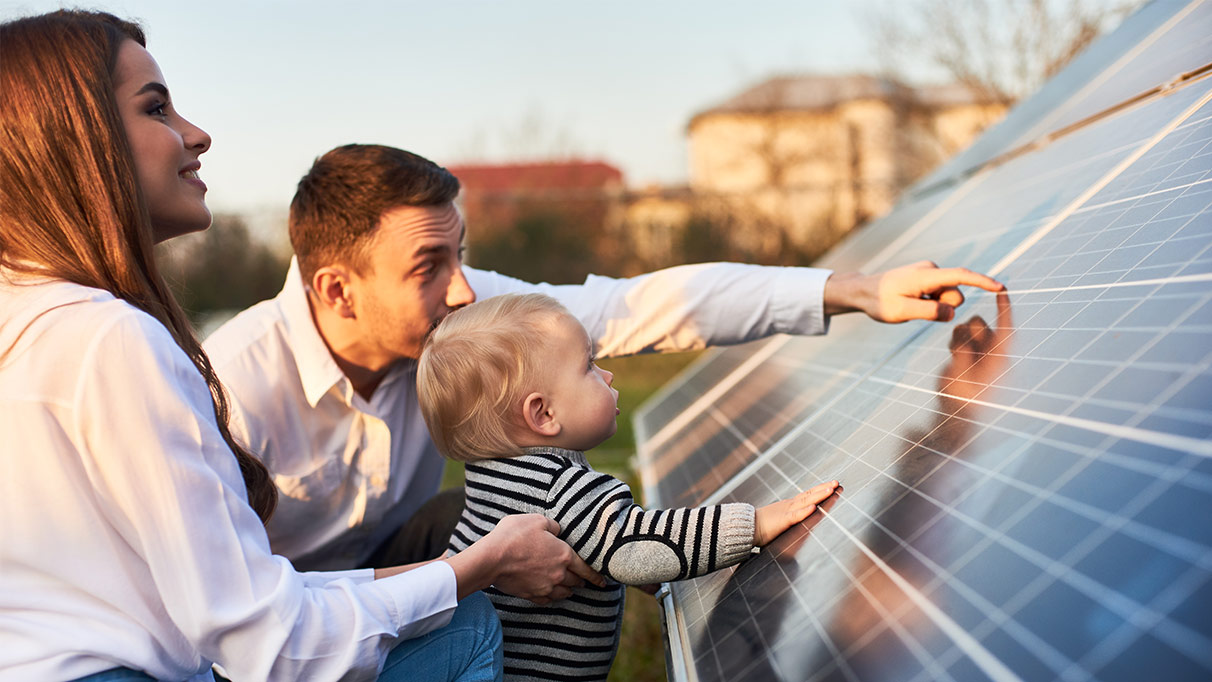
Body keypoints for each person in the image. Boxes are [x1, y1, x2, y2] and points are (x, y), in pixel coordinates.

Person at [0, 11, 597, 682]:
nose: (196, 133)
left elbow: (237, 605)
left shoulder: (27, 320)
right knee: (464, 629)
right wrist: (474, 571)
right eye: (156, 107)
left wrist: (460, 566)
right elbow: (269, 646)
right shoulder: (112, 340)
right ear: (75, 143)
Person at [205, 143, 1006, 573]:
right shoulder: (232, 390)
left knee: (532, 514)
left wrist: (852, 290)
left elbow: (636, 306)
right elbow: (230, 614)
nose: (462, 294)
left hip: (394, 566)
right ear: (338, 292)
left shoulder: (461, 313)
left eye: (462, 256)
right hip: (279, 631)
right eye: (428, 270)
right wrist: (466, 577)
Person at [415, 293, 841, 680]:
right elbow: (637, 543)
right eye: (588, 366)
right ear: (543, 415)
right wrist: (757, 524)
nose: (608, 374)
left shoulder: (492, 477)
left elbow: (600, 544)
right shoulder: (560, 489)